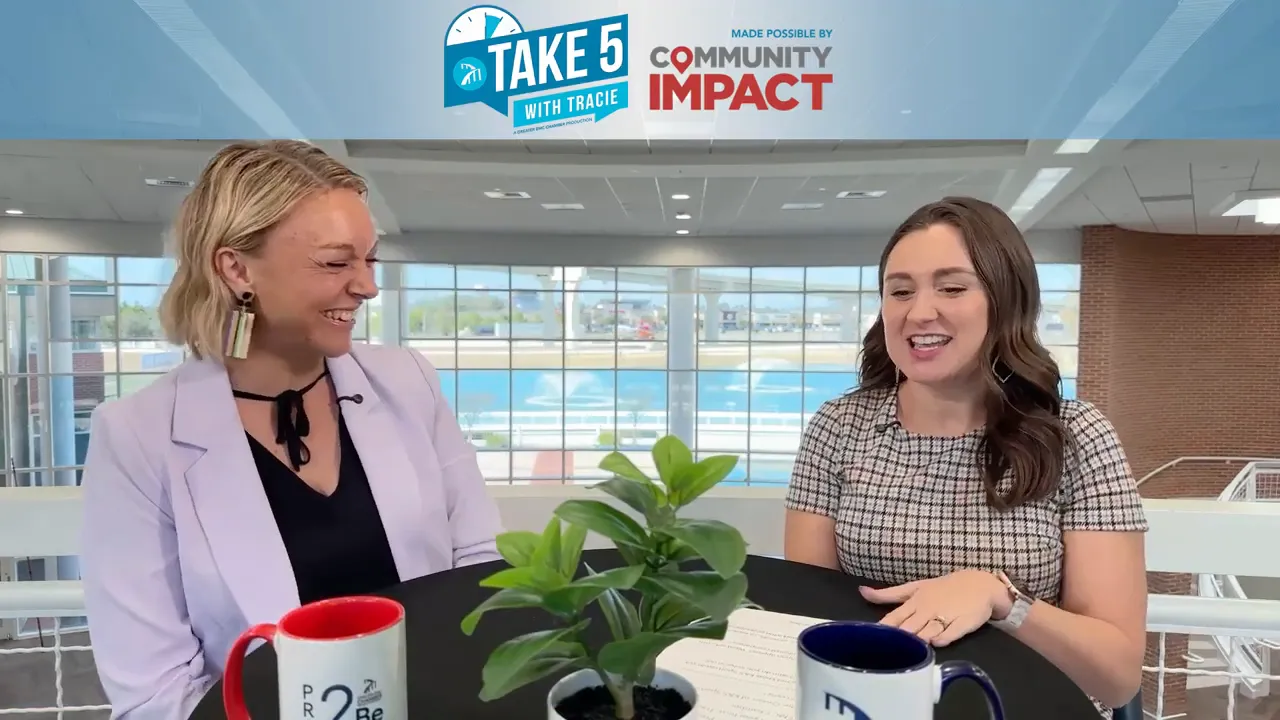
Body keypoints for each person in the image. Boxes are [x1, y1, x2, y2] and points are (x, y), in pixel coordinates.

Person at [79, 140, 503, 719]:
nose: (366, 286)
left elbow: (477, 570)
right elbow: (154, 693)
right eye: (336, 262)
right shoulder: (137, 436)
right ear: (236, 268)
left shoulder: (409, 381)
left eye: (369, 260)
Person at [783, 197, 1147, 715]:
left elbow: (1115, 677)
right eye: (900, 291)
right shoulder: (838, 428)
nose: (919, 311)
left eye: (952, 287)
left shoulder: (1077, 437)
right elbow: (807, 620)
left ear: (1005, 301)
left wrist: (1000, 599)